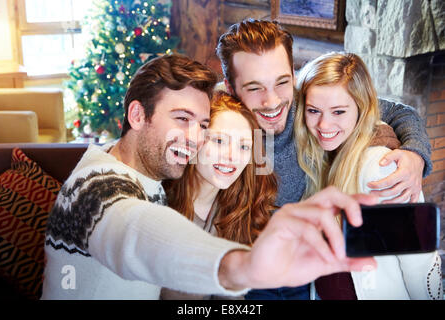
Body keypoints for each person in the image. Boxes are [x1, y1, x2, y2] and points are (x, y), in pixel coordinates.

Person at [41, 53, 376, 299]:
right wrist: (240, 267)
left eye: (201, 125)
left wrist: (388, 136)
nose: (193, 137)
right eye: (181, 118)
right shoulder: (95, 189)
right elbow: (134, 231)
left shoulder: (145, 168)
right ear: (137, 115)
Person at [216, 19, 433, 300]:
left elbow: (397, 112)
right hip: (252, 265)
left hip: (307, 272)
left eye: (281, 82)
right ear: (230, 88)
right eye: (255, 88)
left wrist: (415, 152)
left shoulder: (309, 101)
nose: (272, 102)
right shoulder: (220, 122)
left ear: (293, 76)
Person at [294, 52, 442, 300]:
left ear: (362, 109)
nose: (324, 125)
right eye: (313, 110)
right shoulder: (323, 156)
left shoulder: (380, 167)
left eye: (338, 112)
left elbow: (419, 265)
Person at [160, 91, 278, 299]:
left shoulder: (235, 212)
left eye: (243, 146)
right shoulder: (159, 204)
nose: (232, 156)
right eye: (219, 141)